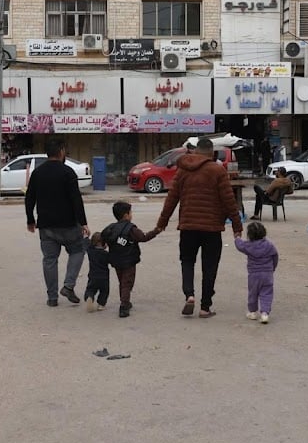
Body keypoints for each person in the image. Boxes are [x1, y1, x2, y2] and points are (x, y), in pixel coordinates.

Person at [156, 136, 243, 318]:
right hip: (211, 228)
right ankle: (205, 307)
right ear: (212, 153)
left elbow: (171, 199)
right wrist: (237, 225)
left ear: (196, 151)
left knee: (187, 262)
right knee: (209, 267)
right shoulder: (217, 171)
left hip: (188, 226)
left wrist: (162, 223)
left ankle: (189, 295)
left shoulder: (183, 170)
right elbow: (229, 200)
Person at [25, 139, 90, 306]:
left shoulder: (37, 173)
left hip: (46, 226)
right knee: (78, 250)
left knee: (49, 260)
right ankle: (68, 286)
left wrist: (30, 220)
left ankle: (52, 298)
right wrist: (83, 222)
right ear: (61, 152)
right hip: (68, 224)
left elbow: (29, 198)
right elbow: (76, 199)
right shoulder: (68, 172)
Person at [101, 200, 160, 318]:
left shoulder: (111, 228)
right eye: (131, 212)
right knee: (127, 283)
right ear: (126, 215)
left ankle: (125, 301)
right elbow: (143, 237)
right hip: (129, 261)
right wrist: (156, 231)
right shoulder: (131, 229)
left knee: (122, 282)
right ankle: (124, 306)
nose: (132, 215)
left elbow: (103, 237)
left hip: (116, 261)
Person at [234, 220, 279, 324]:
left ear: (249, 235)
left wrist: (237, 238)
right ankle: (265, 313)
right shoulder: (269, 245)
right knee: (267, 293)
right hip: (267, 274)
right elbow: (275, 256)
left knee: (253, 293)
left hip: (254, 274)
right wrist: (273, 268)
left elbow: (240, 245)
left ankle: (252, 312)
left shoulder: (248, 246)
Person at [83, 232, 110, 312]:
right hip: (104, 277)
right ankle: (101, 305)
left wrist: (85, 236)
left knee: (90, 289)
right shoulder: (106, 254)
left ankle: (89, 297)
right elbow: (113, 260)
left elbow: (86, 242)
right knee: (104, 291)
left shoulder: (90, 251)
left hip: (93, 275)